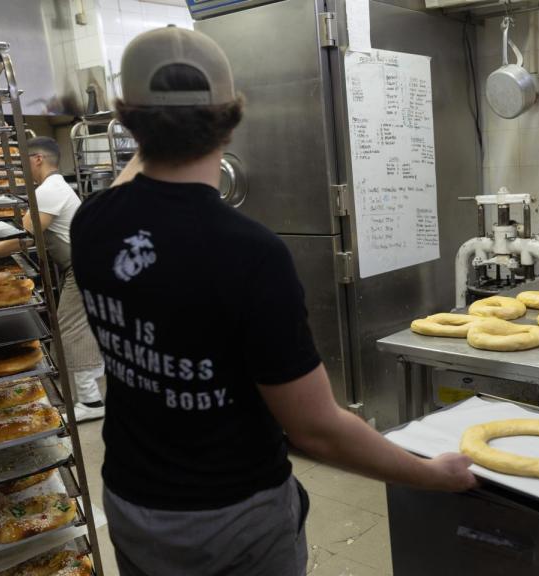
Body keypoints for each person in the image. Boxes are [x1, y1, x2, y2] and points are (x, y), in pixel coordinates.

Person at [70, 27, 475, 576]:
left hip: (132, 501)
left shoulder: (92, 222)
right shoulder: (249, 253)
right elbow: (316, 429)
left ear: (127, 121)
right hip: (233, 521)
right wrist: (433, 474)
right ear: (232, 118)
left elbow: (133, 182)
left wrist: (149, 126)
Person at [0, 137, 106, 423]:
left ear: (38, 159)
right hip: (86, 265)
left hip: (84, 268)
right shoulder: (52, 189)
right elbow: (18, 234)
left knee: (70, 331)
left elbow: (22, 240)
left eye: (23, 160)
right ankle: (90, 387)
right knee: (80, 329)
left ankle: (91, 401)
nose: (21, 167)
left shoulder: (49, 191)